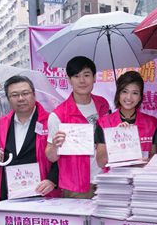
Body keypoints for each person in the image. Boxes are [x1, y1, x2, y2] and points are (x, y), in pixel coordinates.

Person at [0, 75, 59, 201]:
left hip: (43, 193)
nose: (20, 98)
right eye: (14, 95)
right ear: (8, 99)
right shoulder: (1, 124)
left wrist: (52, 179)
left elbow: (63, 155)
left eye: (25, 93)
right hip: (9, 193)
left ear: (34, 94)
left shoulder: (50, 120)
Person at [45, 56, 110, 198]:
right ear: (69, 80)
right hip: (77, 186)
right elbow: (51, 157)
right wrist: (55, 145)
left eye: (86, 75)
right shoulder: (58, 115)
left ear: (94, 77)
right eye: (76, 76)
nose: (82, 81)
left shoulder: (103, 105)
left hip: (106, 180)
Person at [95, 71, 157, 169]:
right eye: (124, 91)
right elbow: (101, 162)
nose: (129, 97)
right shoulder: (104, 123)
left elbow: (153, 157)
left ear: (140, 97)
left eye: (135, 93)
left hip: (141, 176)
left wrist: (147, 161)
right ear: (118, 94)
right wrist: (114, 138)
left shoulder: (150, 123)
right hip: (114, 177)